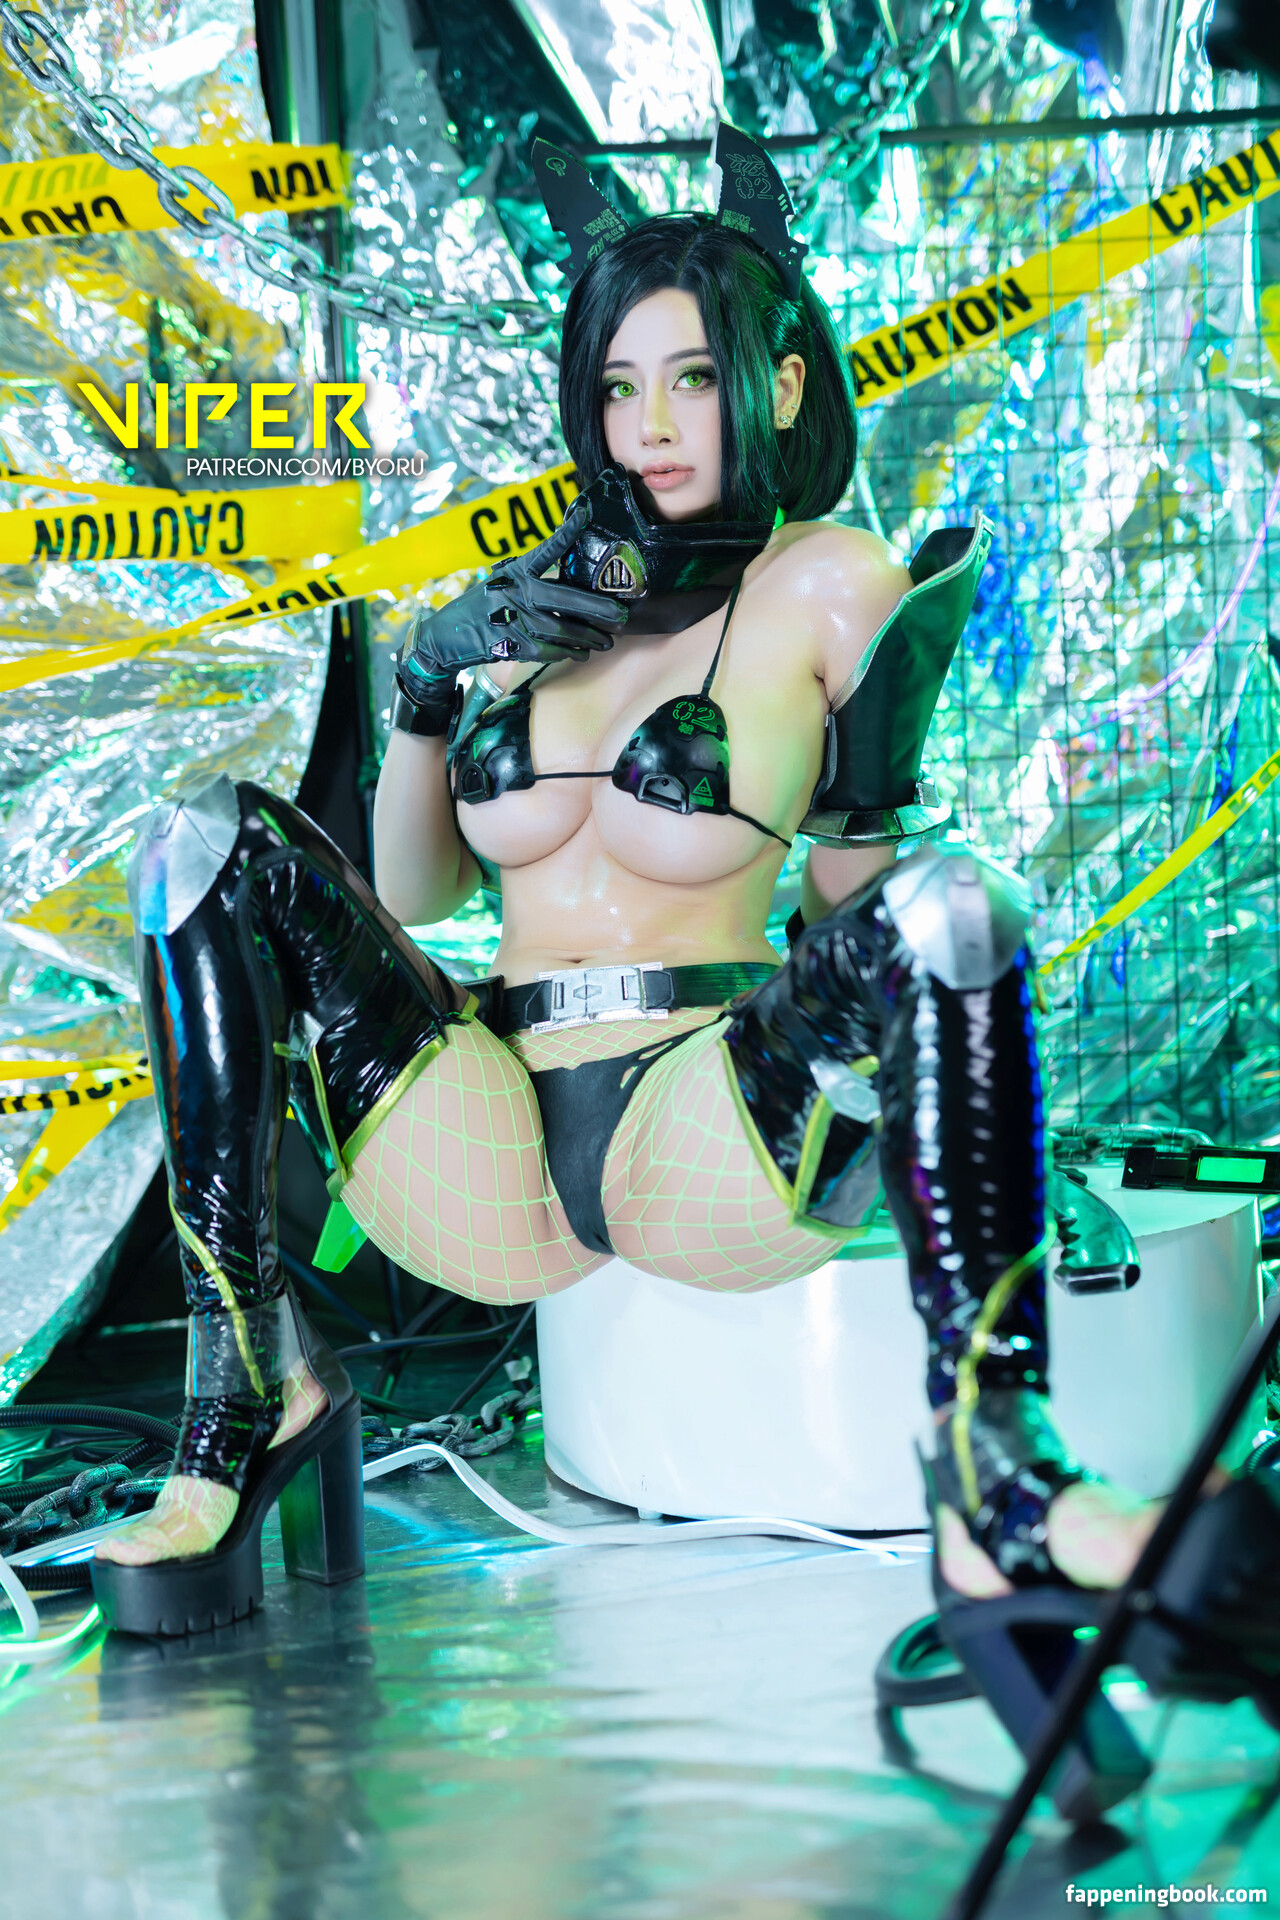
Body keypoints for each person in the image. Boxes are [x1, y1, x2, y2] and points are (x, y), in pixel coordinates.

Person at [90, 126, 1263, 1807]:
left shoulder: (829, 583)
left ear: (775, 386)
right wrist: (430, 678)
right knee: (200, 844)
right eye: (620, 386)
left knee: (951, 909)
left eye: (693, 379)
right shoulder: (541, 601)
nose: (650, 424)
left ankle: (1001, 1484)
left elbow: (863, 900)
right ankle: (245, 1399)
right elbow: (416, 892)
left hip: (701, 1114)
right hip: (487, 1122)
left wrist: (976, 1100)